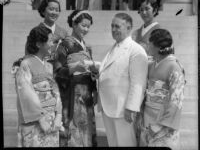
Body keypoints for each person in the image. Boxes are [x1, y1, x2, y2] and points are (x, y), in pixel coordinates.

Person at [98, 13, 148, 147]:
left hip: (123, 109)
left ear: (129, 28)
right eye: (112, 26)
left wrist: (131, 107)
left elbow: (138, 83)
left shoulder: (136, 50)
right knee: (113, 143)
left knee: (126, 143)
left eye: (117, 26)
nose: (113, 29)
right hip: (108, 106)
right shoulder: (113, 47)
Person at [53, 10, 99, 147]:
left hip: (87, 94)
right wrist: (74, 68)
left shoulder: (87, 47)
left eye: (88, 27)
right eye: (83, 25)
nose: (86, 29)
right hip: (72, 93)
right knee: (74, 128)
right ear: (74, 24)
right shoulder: (63, 45)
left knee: (87, 129)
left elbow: (90, 70)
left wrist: (94, 86)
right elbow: (57, 72)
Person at [14, 25, 62, 147]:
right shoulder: (26, 64)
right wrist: (41, 119)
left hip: (51, 117)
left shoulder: (49, 66)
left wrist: (59, 115)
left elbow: (55, 91)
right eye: (50, 41)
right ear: (39, 44)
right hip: (35, 119)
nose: (53, 44)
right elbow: (25, 94)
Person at [138, 29, 185, 149]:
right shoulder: (151, 64)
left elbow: (176, 99)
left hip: (163, 121)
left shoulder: (174, 67)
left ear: (158, 47)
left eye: (149, 43)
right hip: (148, 118)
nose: (147, 46)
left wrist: (160, 126)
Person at [12, 0, 69, 74]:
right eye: (51, 9)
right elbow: (28, 54)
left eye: (57, 10)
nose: (54, 12)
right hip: (40, 73)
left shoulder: (63, 33)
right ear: (43, 11)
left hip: (59, 74)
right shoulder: (36, 32)